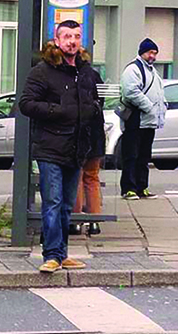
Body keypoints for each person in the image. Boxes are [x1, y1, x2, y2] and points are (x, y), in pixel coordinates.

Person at [18, 20, 100, 274]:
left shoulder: (86, 71)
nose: (72, 41)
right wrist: (58, 111)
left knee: (66, 204)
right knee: (52, 202)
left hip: (76, 148)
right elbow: (26, 104)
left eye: (76, 36)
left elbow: (94, 102)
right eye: (67, 36)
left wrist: (92, 113)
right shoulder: (42, 71)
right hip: (50, 147)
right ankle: (51, 254)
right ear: (56, 40)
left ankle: (62, 254)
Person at [119, 38, 167, 201]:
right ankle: (129, 189)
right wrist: (149, 107)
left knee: (144, 156)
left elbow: (159, 92)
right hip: (136, 119)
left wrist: (162, 107)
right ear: (142, 53)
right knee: (131, 155)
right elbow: (130, 91)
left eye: (155, 53)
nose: (153, 56)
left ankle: (142, 187)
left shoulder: (153, 71)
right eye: (150, 52)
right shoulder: (133, 69)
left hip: (148, 121)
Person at [72, 47, 106, 236]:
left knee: (76, 176)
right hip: (96, 135)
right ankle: (94, 221)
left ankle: (76, 220)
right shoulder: (94, 76)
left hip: (78, 135)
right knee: (92, 178)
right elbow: (100, 102)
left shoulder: (71, 76)